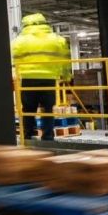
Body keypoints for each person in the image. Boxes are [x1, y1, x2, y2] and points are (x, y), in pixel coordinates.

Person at [11, 13, 72, 141]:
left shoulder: (19, 41)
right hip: (49, 79)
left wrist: (15, 74)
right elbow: (66, 59)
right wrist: (66, 76)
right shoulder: (57, 39)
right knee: (48, 109)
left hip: (28, 79)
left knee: (28, 109)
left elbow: (12, 58)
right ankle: (48, 136)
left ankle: (27, 135)